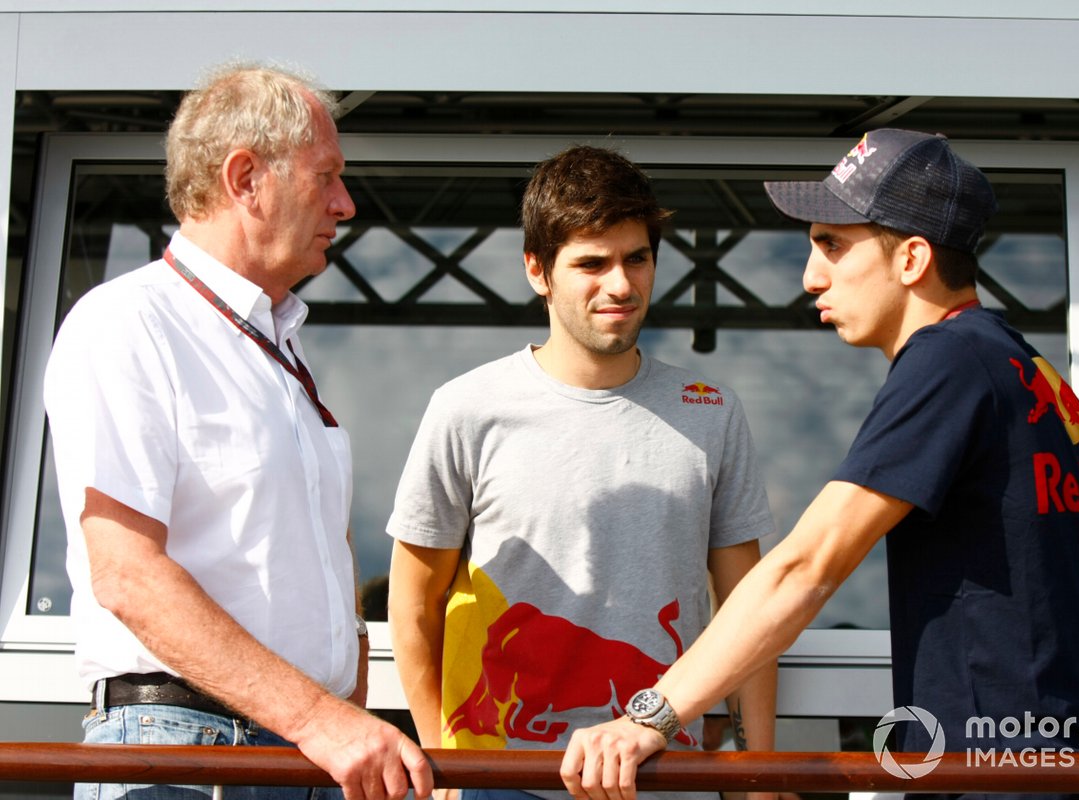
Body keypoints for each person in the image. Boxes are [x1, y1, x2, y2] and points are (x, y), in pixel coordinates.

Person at [559, 128, 1079, 800]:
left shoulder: (946, 362)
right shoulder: (1021, 370)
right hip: (1060, 773)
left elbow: (807, 566)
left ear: (912, 258)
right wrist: (1059, 687)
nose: (811, 275)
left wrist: (649, 718)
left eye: (832, 244)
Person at [42, 62, 432, 800]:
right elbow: (127, 574)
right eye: (327, 177)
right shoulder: (129, 322)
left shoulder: (276, 346)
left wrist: (335, 720)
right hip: (188, 753)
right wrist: (325, 719)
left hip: (292, 756)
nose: (346, 206)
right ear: (245, 178)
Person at [386, 145, 778, 800]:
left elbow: (747, 610)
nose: (620, 285)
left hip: (665, 777)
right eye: (591, 264)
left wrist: (756, 771)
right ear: (538, 271)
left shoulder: (711, 414)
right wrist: (442, 770)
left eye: (637, 259)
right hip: (502, 782)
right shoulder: (468, 409)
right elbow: (413, 605)